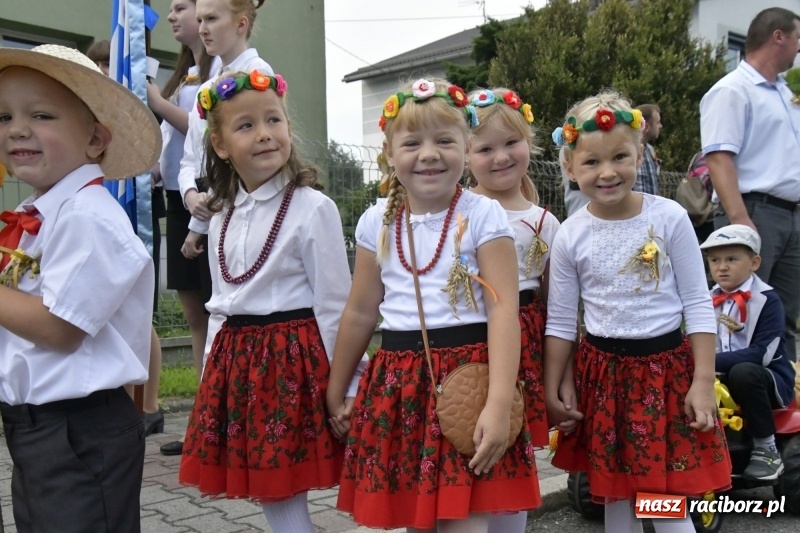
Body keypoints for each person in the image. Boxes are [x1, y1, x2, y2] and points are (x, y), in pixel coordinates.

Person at [327, 78, 540, 532]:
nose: (428, 154)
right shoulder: (374, 220)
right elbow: (362, 311)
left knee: (467, 521)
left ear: (466, 148)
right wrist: (338, 384)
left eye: (444, 140)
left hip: (470, 384)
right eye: (412, 143)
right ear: (388, 151)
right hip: (400, 389)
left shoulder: (483, 214)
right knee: (419, 521)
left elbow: (503, 310)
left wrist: (499, 403)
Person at [177, 69, 363, 533]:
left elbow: (334, 302)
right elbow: (220, 303)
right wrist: (208, 380)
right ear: (220, 145)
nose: (265, 135)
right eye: (246, 126)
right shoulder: (221, 216)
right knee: (267, 482)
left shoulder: (311, 207)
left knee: (283, 478)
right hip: (239, 364)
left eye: (273, 121)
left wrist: (348, 385)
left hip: (291, 362)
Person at [546, 91, 731, 533]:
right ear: (571, 167)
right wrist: (555, 387)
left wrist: (703, 382)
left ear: (640, 154)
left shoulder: (669, 217)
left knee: (665, 503)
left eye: (620, 157)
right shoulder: (570, 234)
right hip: (603, 380)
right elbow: (560, 321)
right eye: (591, 163)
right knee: (617, 500)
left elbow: (698, 305)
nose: (607, 172)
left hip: (664, 376)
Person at [0, 44, 160, 532]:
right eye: (3, 116)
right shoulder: (44, 215)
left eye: (42, 114)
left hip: (80, 431)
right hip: (39, 428)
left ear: (95, 139)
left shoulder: (90, 219)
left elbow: (59, 328)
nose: (17, 129)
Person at [163, 0, 273, 456]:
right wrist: (191, 198)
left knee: (243, 320)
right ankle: (217, 420)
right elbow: (194, 157)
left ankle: (245, 420)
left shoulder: (258, 77)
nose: (202, 27)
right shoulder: (207, 85)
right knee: (218, 317)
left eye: (212, 18)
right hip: (217, 217)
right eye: (201, 19)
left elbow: (258, 154)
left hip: (250, 216)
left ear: (241, 22)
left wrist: (201, 214)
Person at [466, 86, 557, 533]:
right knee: (466, 428)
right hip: (468, 336)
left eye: (510, 143)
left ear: (529, 144)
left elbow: (555, 300)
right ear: (465, 155)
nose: (500, 156)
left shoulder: (544, 222)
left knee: (513, 438)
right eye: (485, 148)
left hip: (523, 340)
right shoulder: (457, 213)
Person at [700, 7, 800, 362]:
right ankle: (732, 401)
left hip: (789, 213)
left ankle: (781, 394)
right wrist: (739, 217)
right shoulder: (732, 90)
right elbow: (719, 156)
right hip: (753, 209)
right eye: (798, 38)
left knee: (783, 315)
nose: (799, 48)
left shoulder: (787, 94)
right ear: (779, 37)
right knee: (737, 312)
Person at [87, 37, 167, 437]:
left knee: (138, 313)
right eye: (98, 68)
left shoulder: (134, 109)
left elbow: (154, 161)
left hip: (132, 207)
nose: (104, 73)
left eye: (108, 66)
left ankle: (148, 403)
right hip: (100, 201)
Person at [144, 0, 215, 449]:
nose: (173, 17)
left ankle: (216, 418)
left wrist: (152, 99)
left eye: (182, 8)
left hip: (208, 194)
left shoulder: (224, 69)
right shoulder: (183, 72)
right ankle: (202, 418)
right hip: (177, 193)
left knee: (213, 309)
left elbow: (204, 128)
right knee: (194, 314)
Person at [700, 224, 796, 481]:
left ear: (754, 263)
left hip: (765, 378)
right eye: (715, 260)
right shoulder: (705, 300)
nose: (722, 267)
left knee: (744, 372)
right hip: (716, 376)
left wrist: (705, 362)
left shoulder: (767, 300)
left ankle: (766, 449)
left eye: (732, 259)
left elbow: (761, 355)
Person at [633, 103, 661, 196]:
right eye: (657, 122)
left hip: (651, 208)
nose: (660, 126)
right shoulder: (628, 151)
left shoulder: (650, 150)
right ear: (646, 126)